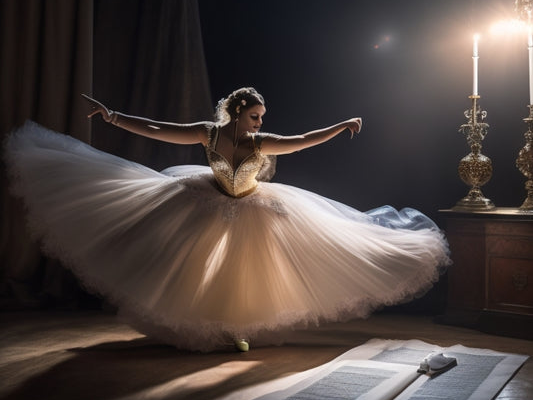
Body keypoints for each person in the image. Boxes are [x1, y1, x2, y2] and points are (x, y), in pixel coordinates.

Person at [4, 87, 451, 352]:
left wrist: (340, 126)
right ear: (237, 113)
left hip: (253, 205)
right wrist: (113, 117)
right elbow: (160, 129)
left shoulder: (262, 143)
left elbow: (300, 140)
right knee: (192, 266)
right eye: (254, 117)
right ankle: (200, 328)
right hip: (207, 198)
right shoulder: (209, 133)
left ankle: (237, 329)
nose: (259, 124)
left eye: (261, 118)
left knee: (249, 273)